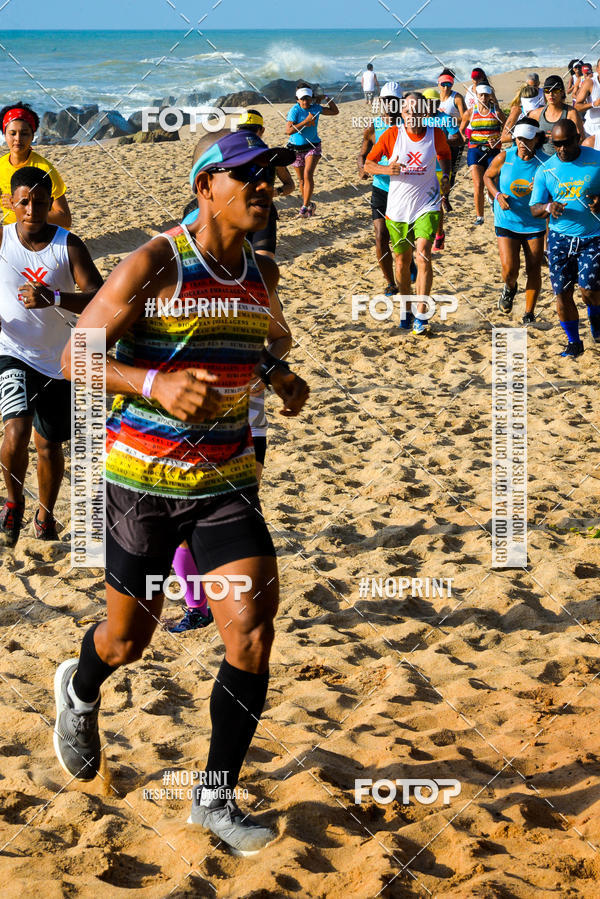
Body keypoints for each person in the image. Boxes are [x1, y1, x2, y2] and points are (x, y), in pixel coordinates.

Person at [53, 128, 310, 857]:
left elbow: (249, 342)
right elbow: (78, 355)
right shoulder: (155, 261)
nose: (266, 185)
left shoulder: (260, 272)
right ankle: (81, 684)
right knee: (128, 638)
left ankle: (215, 797)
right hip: (142, 479)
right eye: (249, 175)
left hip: (226, 480)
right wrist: (152, 382)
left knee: (252, 633)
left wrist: (276, 377)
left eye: (271, 174)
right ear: (205, 187)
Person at [0, 167, 102, 546]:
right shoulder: (1, 239)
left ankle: (45, 513)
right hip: (11, 350)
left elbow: (98, 296)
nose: (31, 210)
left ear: (49, 203)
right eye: (24, 202)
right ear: (11, 202)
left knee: (49, 443)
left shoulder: (68, 245)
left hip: (60, 359)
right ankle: (13, 503)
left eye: (39, 202)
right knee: (17, 428)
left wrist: (54, 298)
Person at [364, 92, 452, 336]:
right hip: (398, 208)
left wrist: (445, 176)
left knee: (423, 255)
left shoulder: (436, 134)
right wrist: (385, 168)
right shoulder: (392, 134)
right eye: (407, 111)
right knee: (402, 261)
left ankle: (421, 316)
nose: (412, 114)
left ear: (425, 112)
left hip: (428, 203)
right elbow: (367, 164)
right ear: (402, 113)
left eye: (416, 110)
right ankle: (406, 309)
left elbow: (445, 155)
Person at [182, 109, 296, 260]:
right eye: (244, 172)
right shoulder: (228, 153)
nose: (263, 185)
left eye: (268, 173)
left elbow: (264, 269)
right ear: (205, 185)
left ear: (261, 130)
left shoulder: (268, 156)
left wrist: (277, 192)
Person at [530, 119, 600, 357]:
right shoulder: (546, 169)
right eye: (556, 143)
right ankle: (574, 342)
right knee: (562, 292)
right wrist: (549, 207)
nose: (561, 148)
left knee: (589, 290)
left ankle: (595, 320)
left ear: (577, 138)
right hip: (560, 239)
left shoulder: (596, 159)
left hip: (593, 236)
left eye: (566, 143)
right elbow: (535, 208)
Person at [483, 118, 548, 322]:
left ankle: (529, 313)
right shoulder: (505, 157)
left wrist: (539, 187)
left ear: (537, 139)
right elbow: (487, 177)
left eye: (527, 139)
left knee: (533, 268)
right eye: (518, 138)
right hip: (507, 219)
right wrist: (497, 195)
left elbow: (556, 191)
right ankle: (510, 288)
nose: (522, 143)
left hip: (534, 222)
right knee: (510, 269)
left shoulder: (546, 162)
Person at [357, 81, 403, 295]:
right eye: (387, 101)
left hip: (405, 190)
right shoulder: (373, 126)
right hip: (381, 188)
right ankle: (390, 283)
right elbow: (362, 154)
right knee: (380, 235)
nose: (390, 104)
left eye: (394, 101)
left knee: (403, 238)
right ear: (381, 102)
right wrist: (362, 169)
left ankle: (407, 264)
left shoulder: (409, 125)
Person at [0, 103, 71, 229]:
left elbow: (64, 219)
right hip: (10, 236)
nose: (18, 138)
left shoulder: (44, 169)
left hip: (40, 237)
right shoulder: (1, 166)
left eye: (24, 133)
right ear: (4, 135)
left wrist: (19, 207)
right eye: (12, 133)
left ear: (33, 136)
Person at [285, 86, 339, 218]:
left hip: (313, 146)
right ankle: (309, 205)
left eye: (308, 98)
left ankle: (303, 208)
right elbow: (289, 131)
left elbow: (334, 111)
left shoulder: (316, 108)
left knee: (308, 174)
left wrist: (326, 97)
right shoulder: (294, 110)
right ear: (297, 100)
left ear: (311, 98)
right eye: (302, 99)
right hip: (295, 148)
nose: (305, 101)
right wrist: (305, 122)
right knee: (301, 180)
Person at [460, 83, 506, 225]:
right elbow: (461, 129)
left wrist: (498, 138)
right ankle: (479, 217)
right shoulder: (470, 112)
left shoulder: (496, 112)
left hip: (492, 150)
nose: (484, 98)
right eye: (481, 95)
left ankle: (493, 204)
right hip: (475, 149)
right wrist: (465, 138)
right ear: (477, 96)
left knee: (493, 182)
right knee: (478, 184)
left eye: (487, 95)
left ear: (490, 96)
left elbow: (507, 127)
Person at [529, 75, 585, 153]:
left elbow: (581, 138)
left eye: (555, 90)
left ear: (562, 92)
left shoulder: (571, 113)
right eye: (547, 90)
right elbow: (528, 137)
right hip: (543, 160)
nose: (551, 94)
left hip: (564, 159)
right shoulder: (536, 114)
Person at [437, 70, 466, 186]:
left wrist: (449, 119)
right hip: (438, 138)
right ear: (438, 83)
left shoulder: (456, 97)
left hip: (454, 137)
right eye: (443, 84)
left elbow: (465, 118)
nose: (445, 88)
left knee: (451, 170)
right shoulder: (434, 99)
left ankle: (446, 197)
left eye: (449, 84)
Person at [574, 57, 600, 138]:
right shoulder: (590, 83)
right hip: (592, 129)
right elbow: (577, 106)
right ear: (597, 69)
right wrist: (594, 104)